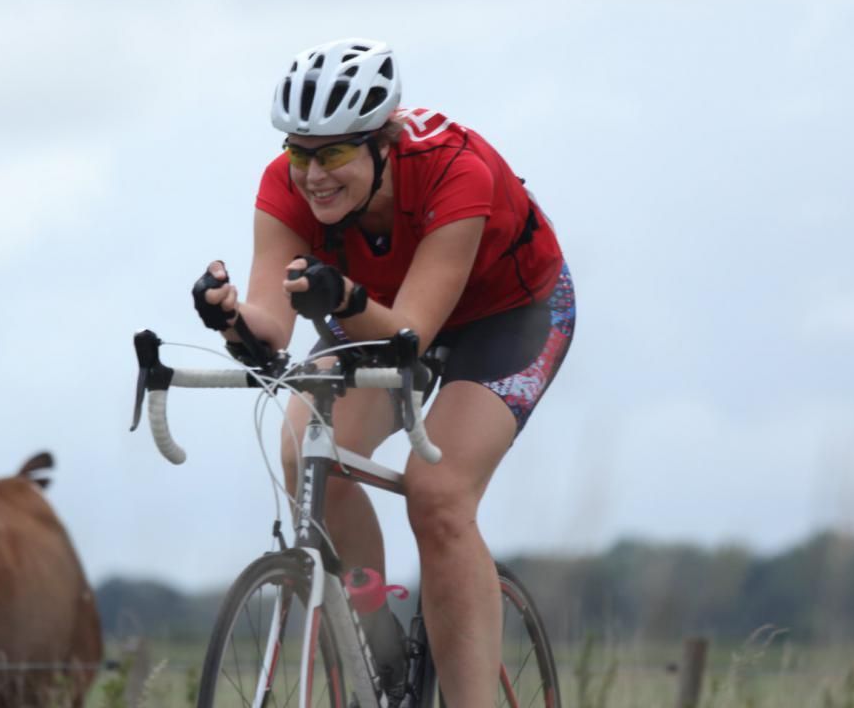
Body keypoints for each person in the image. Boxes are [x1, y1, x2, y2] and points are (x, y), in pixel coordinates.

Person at [192, 37, 575, 705]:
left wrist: (340, 297)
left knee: (438, 494)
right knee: (303, 452)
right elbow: (272, 326)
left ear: (384, 142)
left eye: (335, 153)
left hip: (508, 316)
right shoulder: (285, 185)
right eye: (299, 151)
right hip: (373, 310)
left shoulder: (458, 169)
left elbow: (409, 335)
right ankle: (380, 649)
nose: (313, 175)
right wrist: (228, 318)